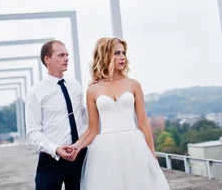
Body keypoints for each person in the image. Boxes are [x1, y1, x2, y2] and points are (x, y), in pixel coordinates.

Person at [65, 37, 170, 189]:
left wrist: (151, 154)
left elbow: (142, 121)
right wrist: (77, 146)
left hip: (134, 145)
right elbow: (93, 129)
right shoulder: (93, 89)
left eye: (123, 53)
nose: (122, 57)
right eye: (117, 53)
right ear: (105, 55)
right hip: (106, 150)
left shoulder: (133, 84)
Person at [25, 40, 88, 190]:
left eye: (67, 55)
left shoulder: (75, 85)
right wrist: (55, 149)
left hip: (79, 156)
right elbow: (33, 132)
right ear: (47, 59)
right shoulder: (35, 92)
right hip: (52, 159)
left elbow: (84, 117)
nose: (66, 59)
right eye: (61, 55)